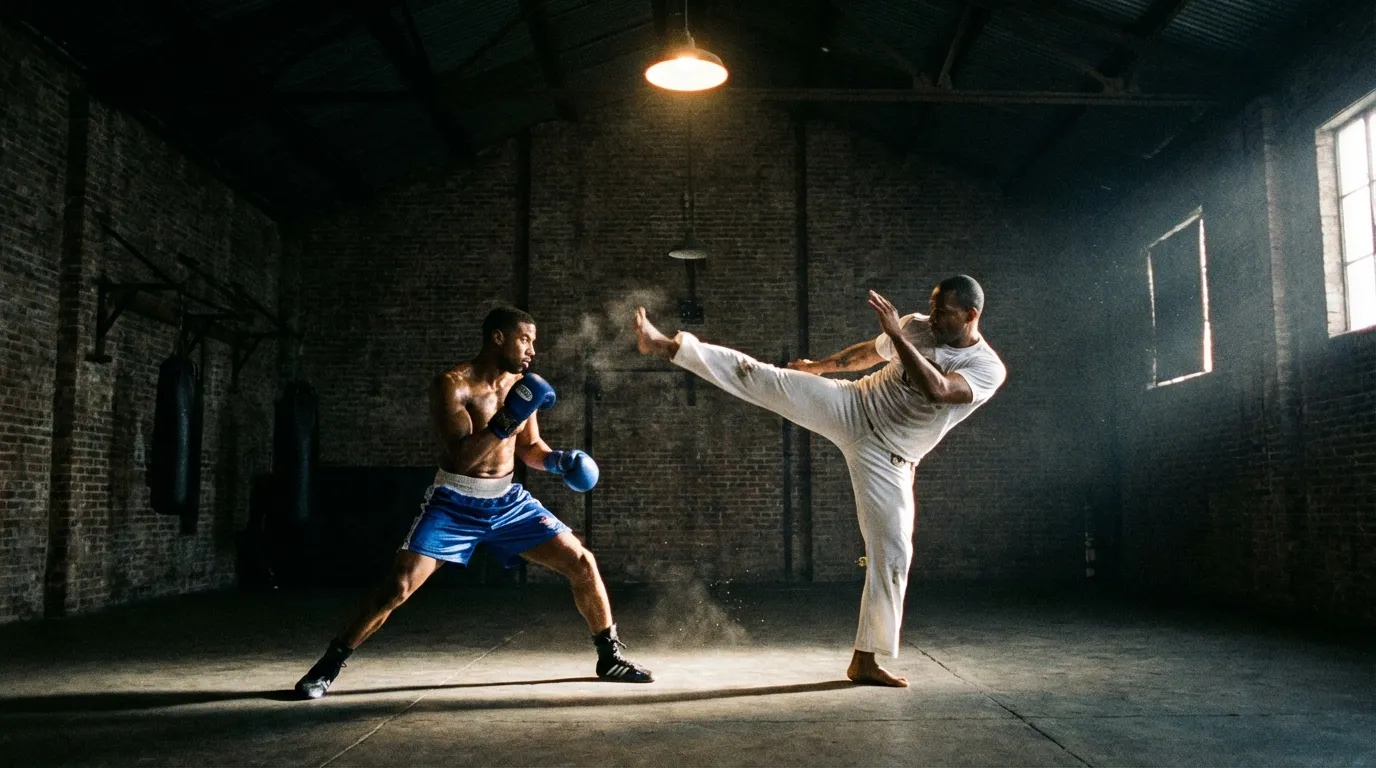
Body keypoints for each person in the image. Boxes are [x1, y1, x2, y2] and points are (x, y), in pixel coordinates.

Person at [632, 275, 1006, 687]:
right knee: (762, 377)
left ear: (971, 315)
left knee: (894, 555)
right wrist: (821, 367)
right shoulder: (916, 325)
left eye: (944, 312)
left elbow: (937, 390)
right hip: (853, 403)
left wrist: (898, 334)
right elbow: (867, 353)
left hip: (891, 458)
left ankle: (865, 660)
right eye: (931, 307)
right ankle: (668, 345)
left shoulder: (986, 367)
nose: (932, 318)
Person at [294, 306, 653, 699]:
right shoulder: (452, 384)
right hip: (454, 502)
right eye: (525, 339)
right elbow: (463, 457)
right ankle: (329, 665)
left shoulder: (521, 384)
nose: (532, 349)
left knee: (582, 561)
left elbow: (529, 447)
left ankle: (609, 655)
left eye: (534, 341)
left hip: (508, 501)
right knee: (397, 586)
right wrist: (508, 416)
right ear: (498, 337)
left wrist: (558, 462)